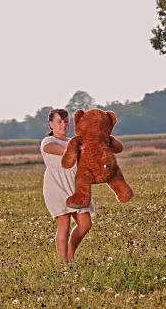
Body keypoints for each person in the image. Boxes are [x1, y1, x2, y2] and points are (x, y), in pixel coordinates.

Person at [40, 108, 95, 264]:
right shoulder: (48, 142)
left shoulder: (74, 141)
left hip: (75, 186)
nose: (63, 125)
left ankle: (70, 253)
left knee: (85, 224)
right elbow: (61, 151)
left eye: (66, 121)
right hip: (56, 185)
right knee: (63, 225)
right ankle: (64, 265)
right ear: (51, 124)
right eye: (59, 122)